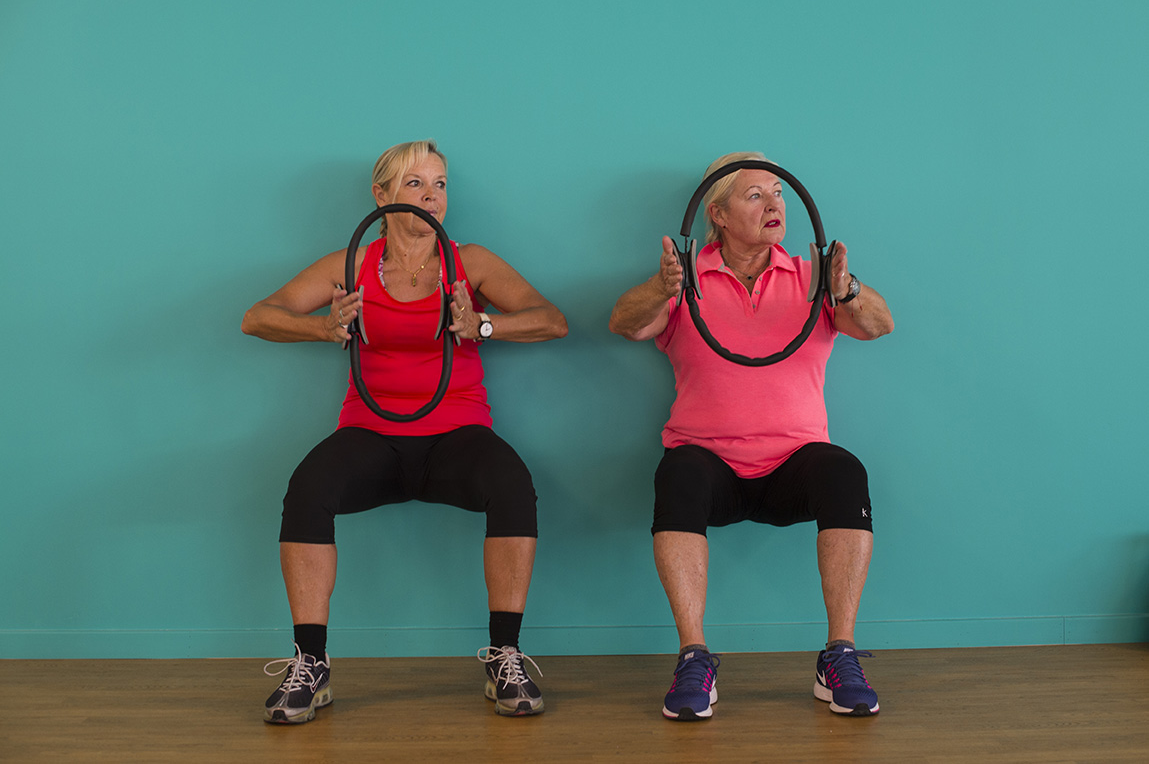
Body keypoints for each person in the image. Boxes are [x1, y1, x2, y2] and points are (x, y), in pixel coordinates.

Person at [242, 140, 568, 723]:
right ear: (382, 195)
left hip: (457, 432)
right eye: (416, 184)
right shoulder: (353, 265)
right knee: (308, 488)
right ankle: (310, 667)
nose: (431, 197)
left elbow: (552, 320)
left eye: (440, 184)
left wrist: (481, 324)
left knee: (514, 484)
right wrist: (325, 330)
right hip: (372, 433)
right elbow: (257, 316)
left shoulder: (471, 261)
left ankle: (504, 656)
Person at [608, 151, 894, 721]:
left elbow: (880, 324)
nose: (774, 205)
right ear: (717, 212)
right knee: (679, 472)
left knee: (844, 470)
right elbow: (626, 322)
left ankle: (839, 655)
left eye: (779, 194)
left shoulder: (815, 276)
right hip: (709, 464)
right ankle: (694, 659)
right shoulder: (685, 279)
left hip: (794, 464)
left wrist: (849, 287)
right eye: (755, 195)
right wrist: (662, 286)